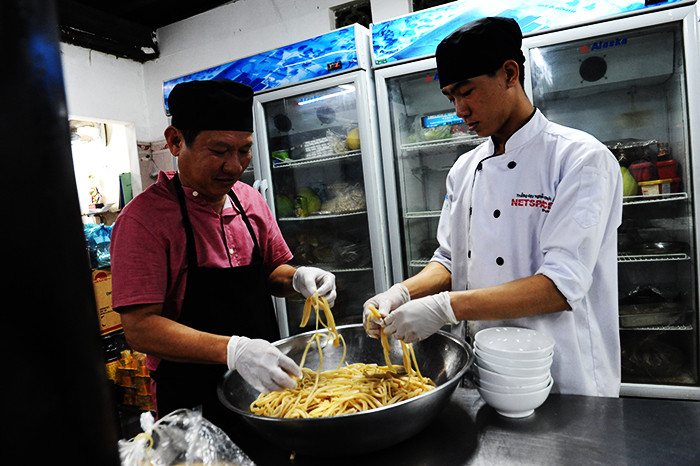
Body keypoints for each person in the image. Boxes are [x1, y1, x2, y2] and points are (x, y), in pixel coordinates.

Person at [363, 17, 622, 397]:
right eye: (451, 97)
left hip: (564, 373)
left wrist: (445, 308)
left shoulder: (579, 159)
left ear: (509, 73)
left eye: (467, 91)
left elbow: (560, 287)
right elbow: (450, 260)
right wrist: (401, 293)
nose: (459, 110)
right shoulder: (464, 169)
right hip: (483, 367)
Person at [110, 79, 336, 429]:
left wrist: (299, 278)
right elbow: (140, 328)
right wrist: (235, 351)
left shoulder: (248, 199)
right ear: (175, 141)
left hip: (266, 386)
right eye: (218, 151)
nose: (234, 166)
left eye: (244, 150)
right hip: (191, 400)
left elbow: (272, 271)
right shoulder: (143, 221)